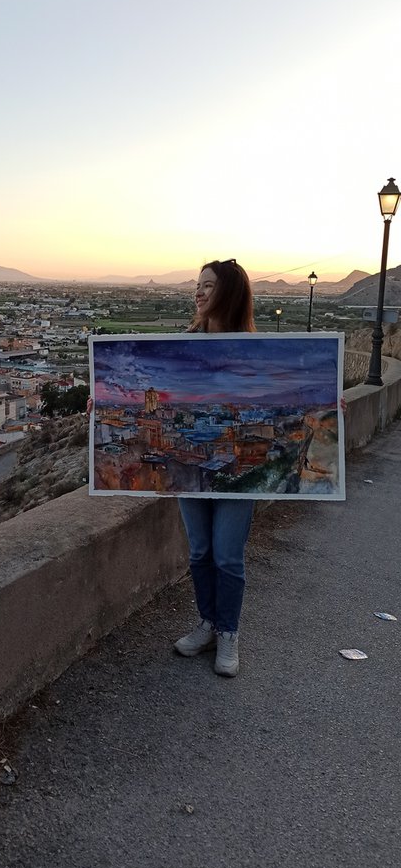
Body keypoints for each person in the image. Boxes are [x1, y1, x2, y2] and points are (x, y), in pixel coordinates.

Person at [174, 258, 255, 678]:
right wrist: (105, 407)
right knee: (200, 551)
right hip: (191, 461)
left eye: (208, 286)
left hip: (237, 466)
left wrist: (328, 408)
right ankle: (207, 622)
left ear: (230, 292)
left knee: (227, 555)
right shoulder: (183, 344)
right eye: (197, 286)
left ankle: (228, 632)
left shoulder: (254, 349)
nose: (199, 293)